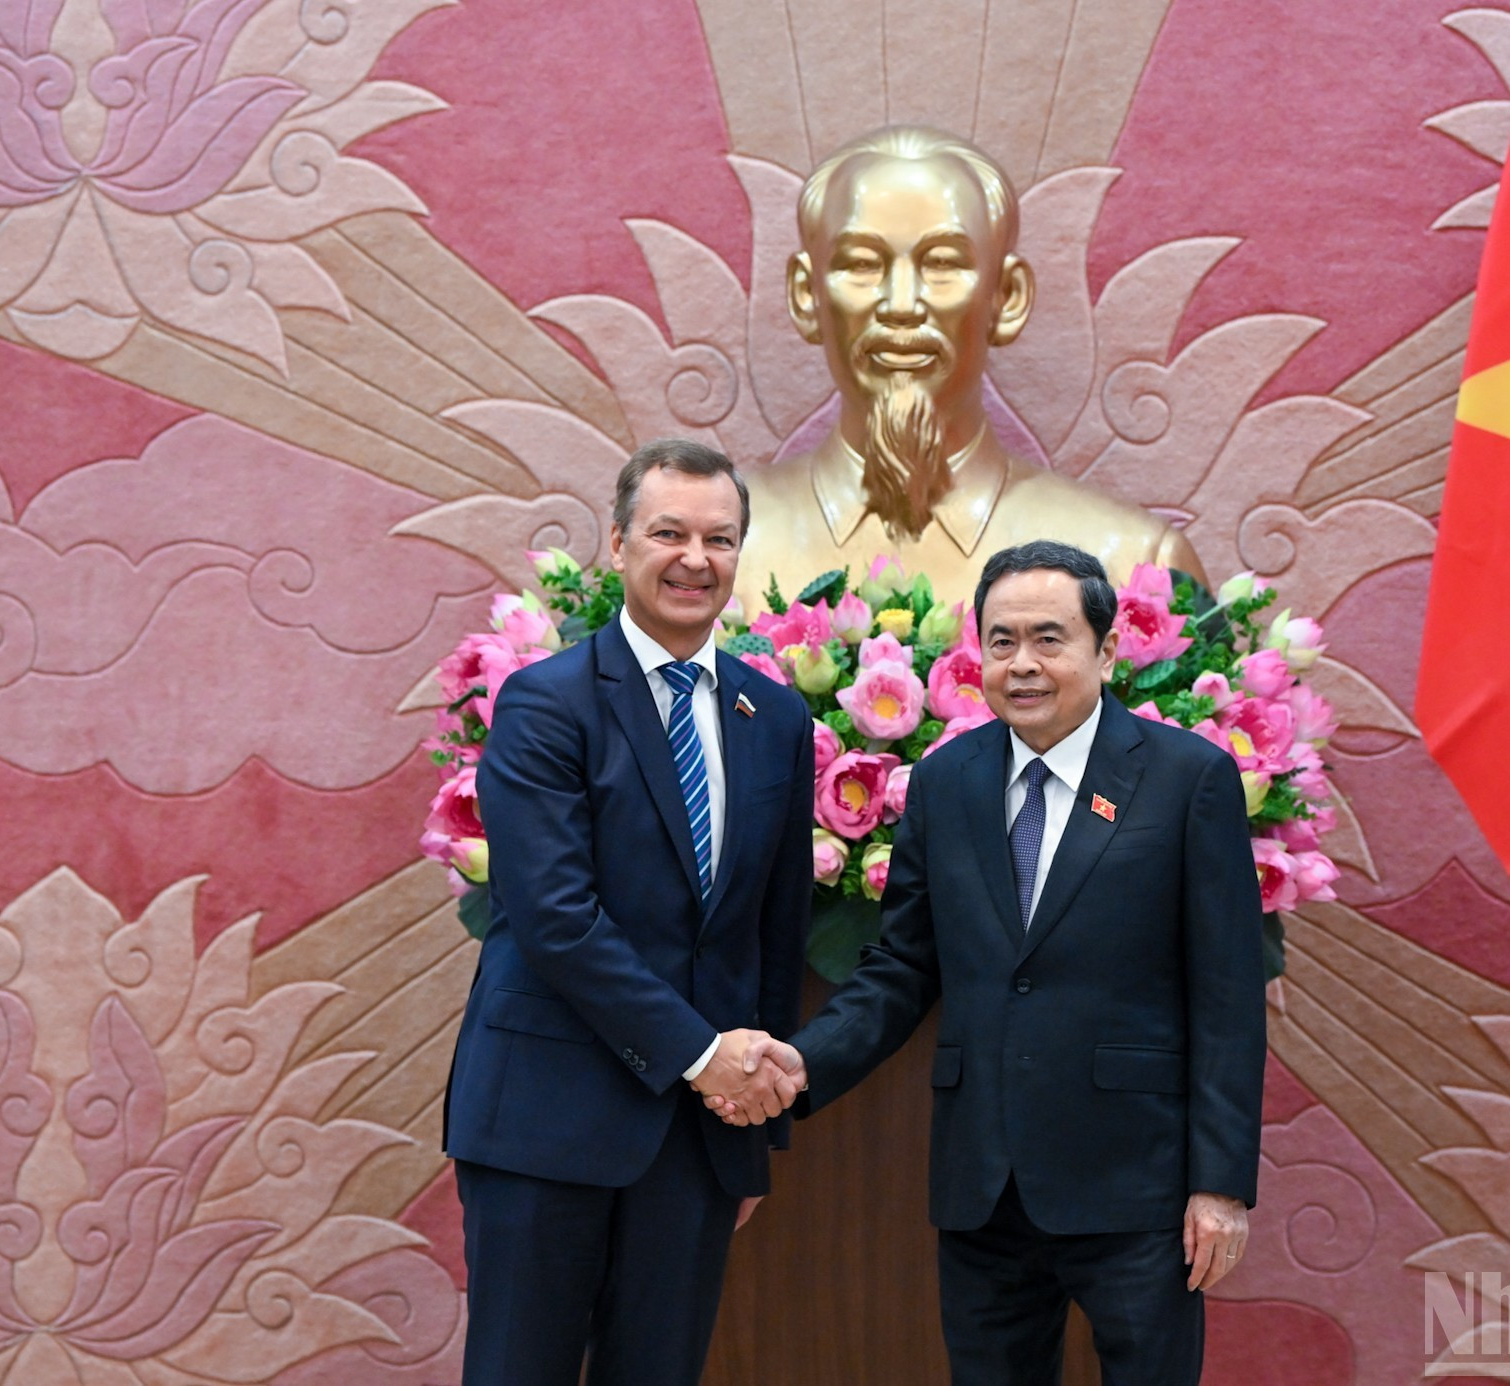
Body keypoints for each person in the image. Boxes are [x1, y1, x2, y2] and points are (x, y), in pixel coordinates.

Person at [713, 539, 1267, 1386]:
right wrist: (801, 1061)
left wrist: (1220, 1186)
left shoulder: (1188, 780)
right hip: (985, 1185)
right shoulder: (945, 782)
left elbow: (1227, 995)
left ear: (1106, 649)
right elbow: (903, 965)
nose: (1023, 664)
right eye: (1002, 642)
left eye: (1050, 639)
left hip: (1138, 1186)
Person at [443, 438, 813, 1386]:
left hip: (695, 1138)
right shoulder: (545, 703)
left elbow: (773, 930)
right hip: (545, 1121)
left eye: (720, 539)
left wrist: (750, 1128)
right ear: (616, 545)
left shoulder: (775, 722)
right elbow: (556, 916)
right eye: (669, 533)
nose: (696, 559)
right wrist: (702, 1056)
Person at [736, 125, 1205, 607]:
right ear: (804, 296)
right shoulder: (718, 560)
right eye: (861, 264)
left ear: (1008, 298)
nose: (901, 304)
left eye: (941, 264)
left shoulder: (1135, 569)